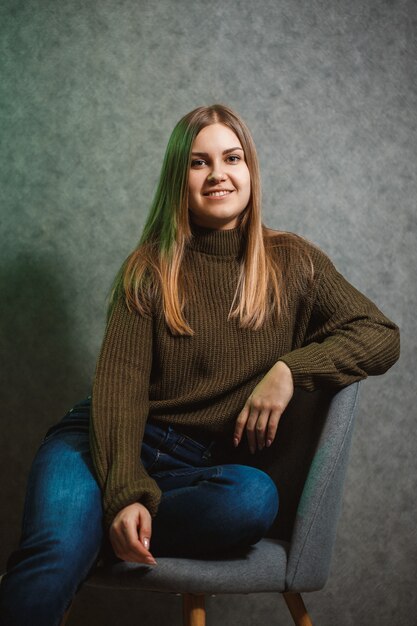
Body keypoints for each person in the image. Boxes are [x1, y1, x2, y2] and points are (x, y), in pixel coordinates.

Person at [0, 104, 400, 626]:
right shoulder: (149, 270)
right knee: (53, 553)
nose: (218, 174)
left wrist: (290, 371)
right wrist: (123, 492)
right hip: (102, 444)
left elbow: (380, 336)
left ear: (250, 169)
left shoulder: (294, 263)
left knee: (253, 500)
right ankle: (78, 535)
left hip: (195, 472)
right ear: (178, 179)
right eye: (198, 162)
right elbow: (119, 392)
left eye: (232, 158)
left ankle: (86, 532)